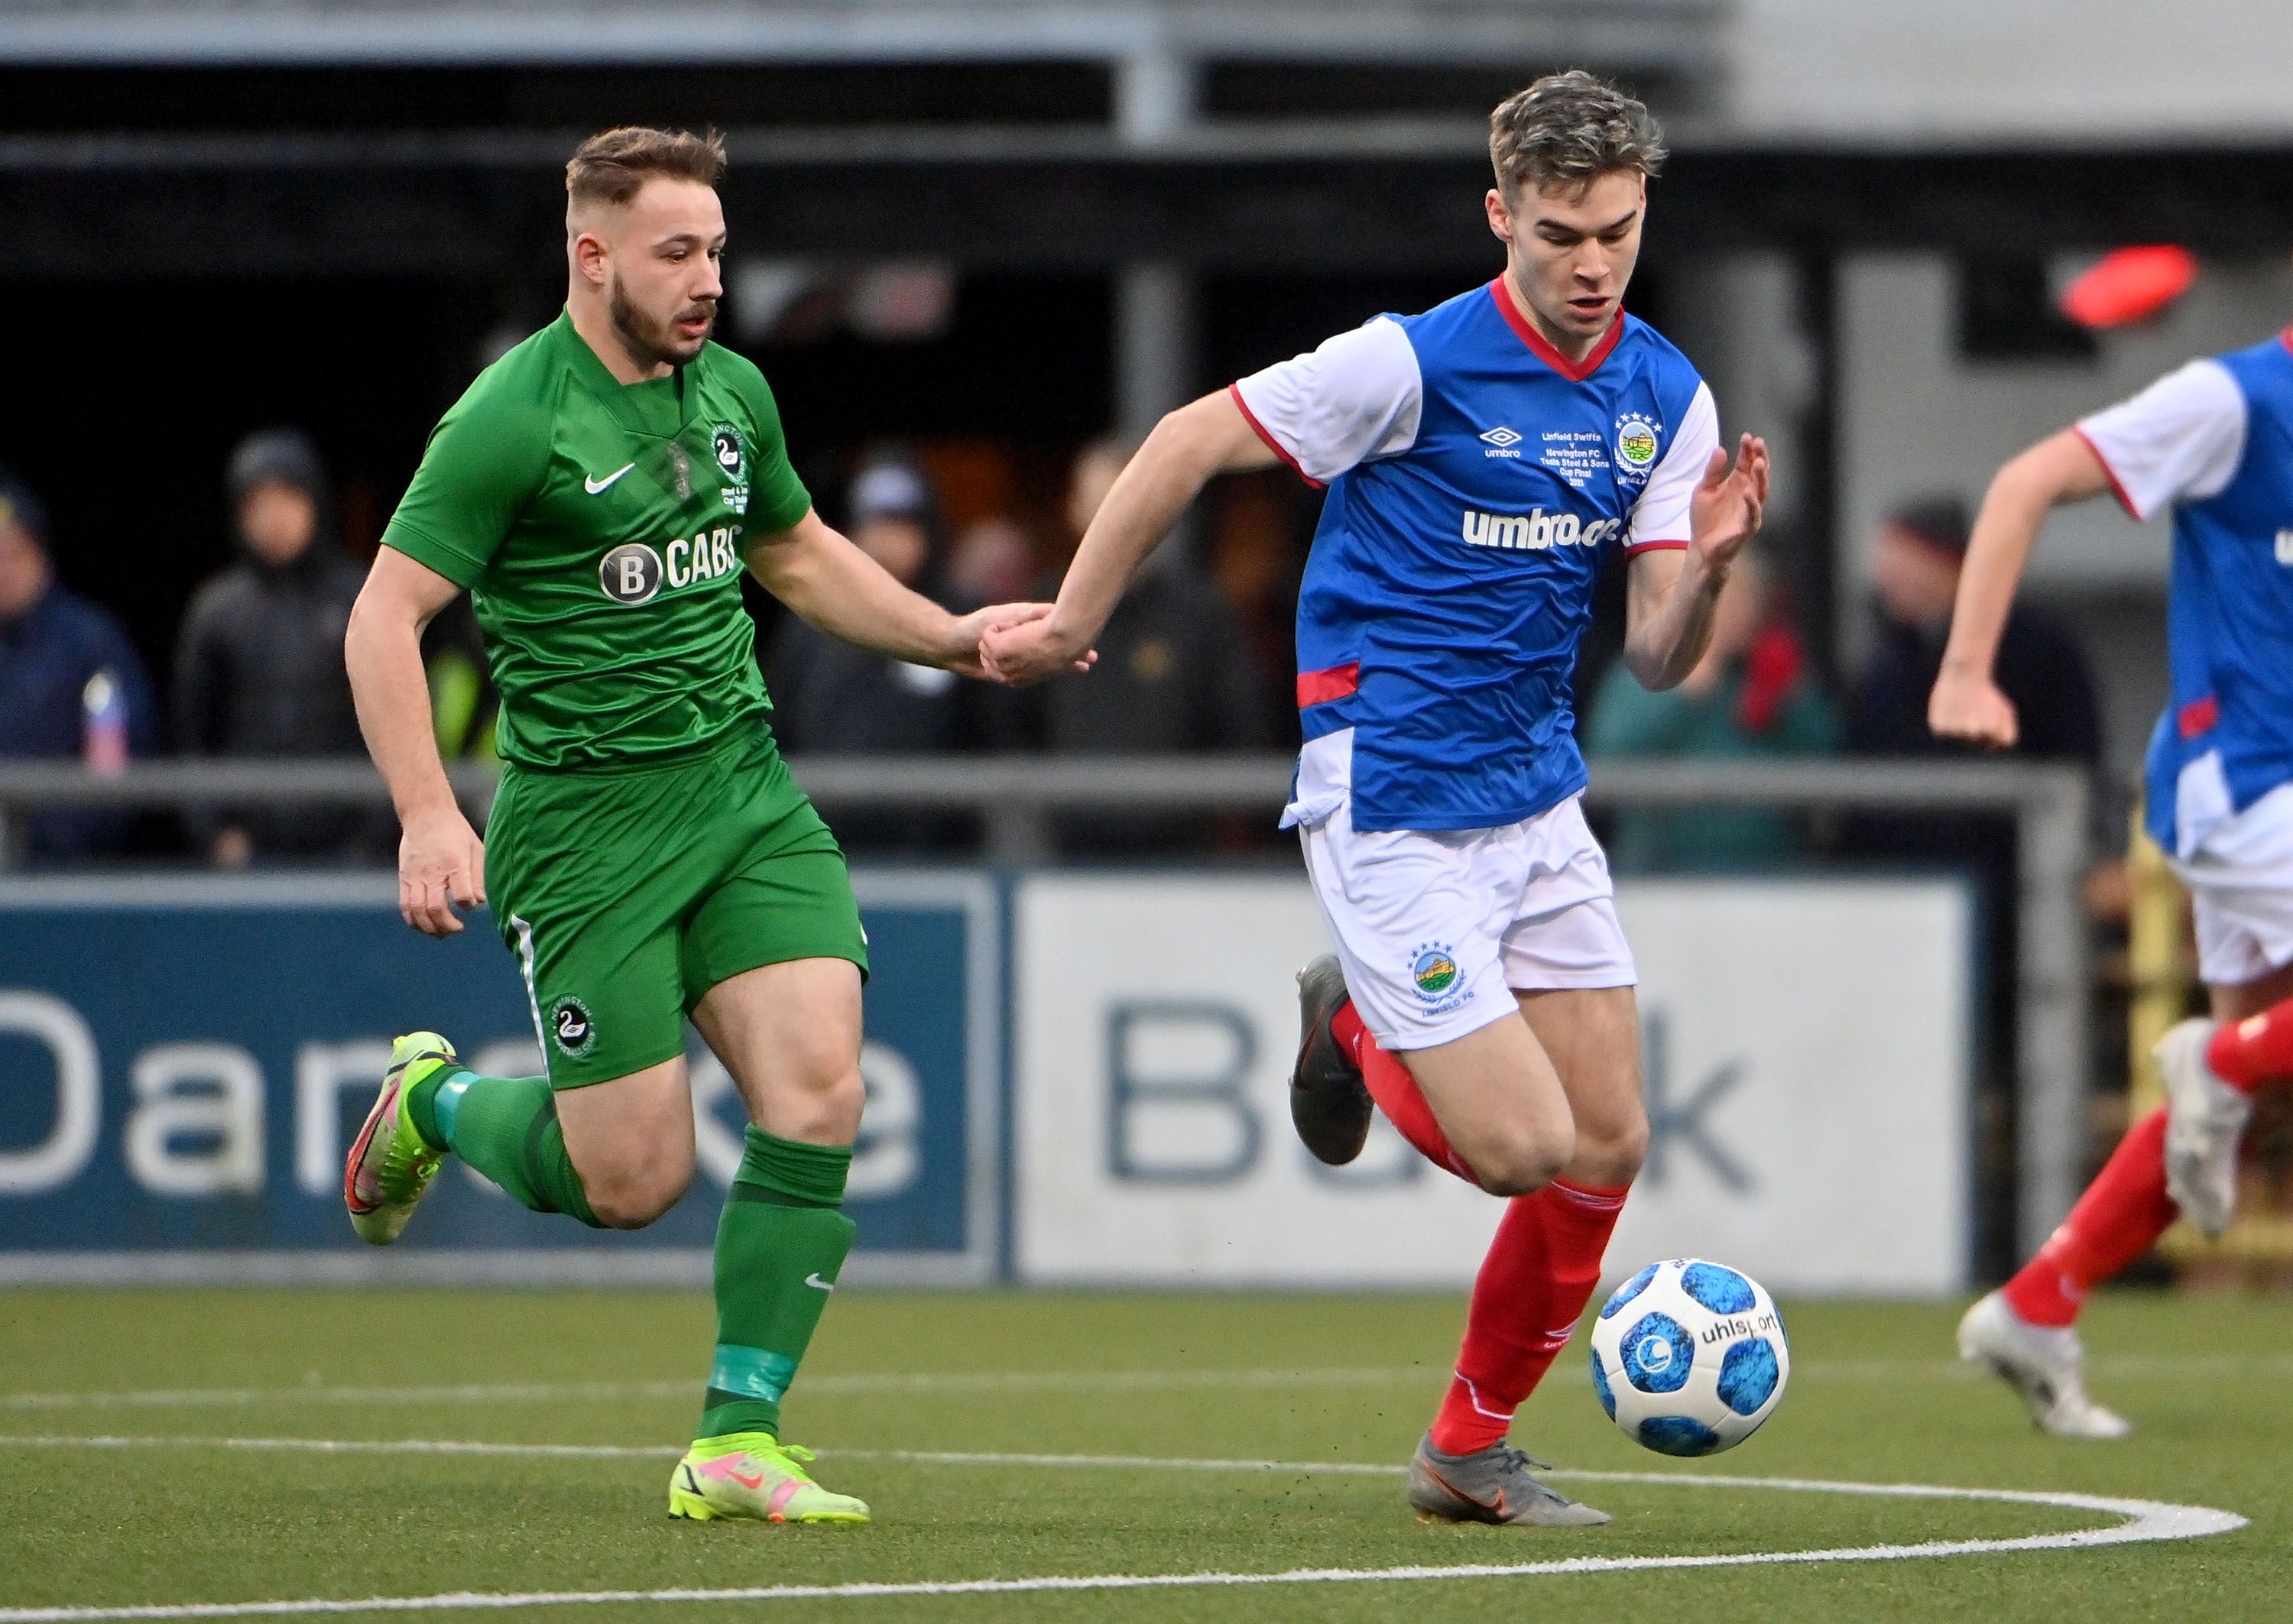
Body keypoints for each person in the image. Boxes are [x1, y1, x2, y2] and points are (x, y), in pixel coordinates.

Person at [986, 72, 1767, 1525]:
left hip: (1535, 798)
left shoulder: (1667, 393)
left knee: (1608, 1143)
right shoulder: (1406, 364)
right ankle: (1349, 1017)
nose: (1592, 265)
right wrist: (1074, 617)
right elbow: (1185, 440)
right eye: (1560, 235)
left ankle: (1466, 1451)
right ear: (1500, 217)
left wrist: (1709, 568)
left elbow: (1661, 660)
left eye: (1617, 232)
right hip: (1393, 793)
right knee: (1522, 1151)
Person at [338, 127, 1065, 1526]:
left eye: (719, 251)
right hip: (586, 830)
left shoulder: (730, 389)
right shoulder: (509, 417)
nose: (709, 280)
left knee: (822, 1091)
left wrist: (955, 639)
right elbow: (383, 616)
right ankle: (431, 1102)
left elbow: (792, 550)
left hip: (742, 794)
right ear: (591, 256)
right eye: (677, 253)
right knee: (633, 1181)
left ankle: (739, 1436)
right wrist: (428, 814)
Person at [1935, 305, 2293, 1440]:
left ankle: (2039, 1304)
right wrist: (1966, 669)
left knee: (2252, 1086)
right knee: (2239, 1069)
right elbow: (2026, 481)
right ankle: (2219, 1062)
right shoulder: (2233, 401)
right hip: (2245, 784)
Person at [174, 429, 377, 864]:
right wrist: (213, 834)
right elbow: (191, 736)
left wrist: (373, 839)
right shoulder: (216, 611)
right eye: (258, 504)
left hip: (349, 856)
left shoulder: (361, 597)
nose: (275, 518)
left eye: (288, 498)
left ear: (316, 503)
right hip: (247, 855)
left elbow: (395, 716)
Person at [1585, 546, 1836, 870]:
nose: (1734, 615)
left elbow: (1824, 755)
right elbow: (1608, 754)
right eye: (1722, 599)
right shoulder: (1647, 668)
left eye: (1745, 602)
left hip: (1766, 870)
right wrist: (1682, 691)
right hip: (1660, 869)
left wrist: (1787, 696)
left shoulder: (1770, 670)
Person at [1848, 497, 2100, 768]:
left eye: (1903, 567)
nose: (1888, 583)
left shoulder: (2033, 646)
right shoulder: (1893, 657)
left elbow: (2069, 746)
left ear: (1947, 562)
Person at [0, 468, 160, 858]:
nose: (3, 569)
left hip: (64, 869)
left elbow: (119, 758)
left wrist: (60, 839)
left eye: (15, 553)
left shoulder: (90, 642)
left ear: (41, 555)